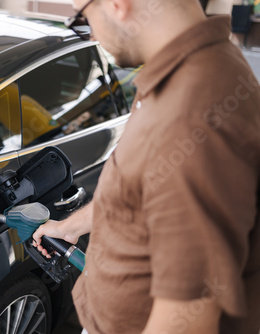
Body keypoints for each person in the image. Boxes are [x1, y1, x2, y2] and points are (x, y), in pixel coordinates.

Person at [32, 0, 260, 333]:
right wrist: (71, 226)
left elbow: (189, 316)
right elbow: (142, 187)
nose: (91, 32)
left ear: (117, 4)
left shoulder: (190, 117)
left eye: (83, 18)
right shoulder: (194, 65)